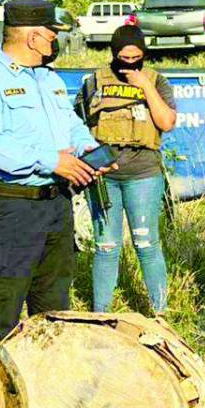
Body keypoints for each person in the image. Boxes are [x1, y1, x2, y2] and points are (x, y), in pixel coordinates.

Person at [0, 0, 110, 339]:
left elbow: (70, 124)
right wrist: (52, 160)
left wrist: (87, 149)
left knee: (54, 310)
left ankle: (45, 386)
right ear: (33, 37)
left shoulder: (49, 79)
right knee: (0, 307)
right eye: (52, 34)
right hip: (11, 210)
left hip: (56, 205)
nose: (56, 42)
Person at [75, 25, 177, 314]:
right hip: (104, 177)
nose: (130, 62)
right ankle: (101, 313)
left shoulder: (157, 81)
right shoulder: (95, 81)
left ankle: (160, 313)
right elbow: (78, 125)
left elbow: (166, 122)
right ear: (114, 53)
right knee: (106, 247)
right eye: (124, 56)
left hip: (143, 175)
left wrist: (144, 85)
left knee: (146, 244)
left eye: (137, 56)